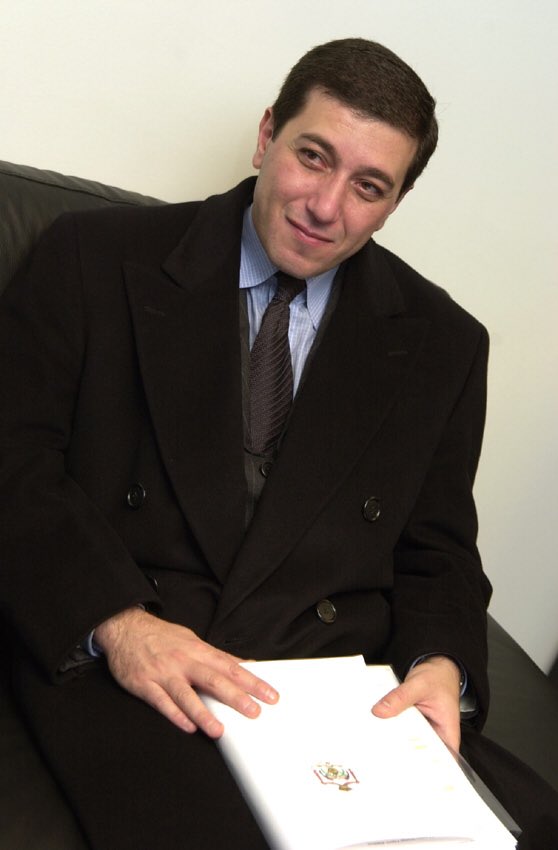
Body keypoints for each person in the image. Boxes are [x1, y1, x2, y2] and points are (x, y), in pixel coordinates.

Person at [0, 37, 556, 850]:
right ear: (267, 136)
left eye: (368, 186)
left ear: (395, 202)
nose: (325, 206)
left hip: (333, 691)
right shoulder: (92, 257)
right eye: (312, 156)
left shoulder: (443, 342)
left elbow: (437, 547)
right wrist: (118, 624)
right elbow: (13, 464)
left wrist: (442, 666)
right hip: (147, 654)